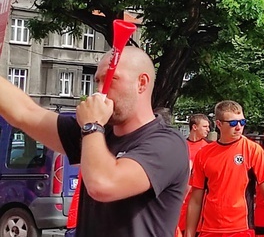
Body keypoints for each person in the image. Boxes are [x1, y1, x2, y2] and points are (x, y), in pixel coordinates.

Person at [0, 46, 189, 237]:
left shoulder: (168, 143)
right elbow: (25, 113)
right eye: (97, 81)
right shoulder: (97, 133)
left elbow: (103, 185)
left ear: (141, 83)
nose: (99, 92)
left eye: (110, 80)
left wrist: (92, 125)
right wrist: (93, 127)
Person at [185, 100, 264, 237]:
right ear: (219, 124)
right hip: (209, 229)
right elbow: (196, 200)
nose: (239, 127)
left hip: (241, 229)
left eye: (242, 122)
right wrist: (189, 233)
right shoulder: (204, 154)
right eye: (233, 123)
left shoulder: (253, 150)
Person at [177, 114, 212, 236]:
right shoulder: (180, 146)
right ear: (195, 127)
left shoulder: (208, 148)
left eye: (208, 126)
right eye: (205, 126)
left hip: (199, 201)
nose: (208, 129)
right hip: (180, 199)